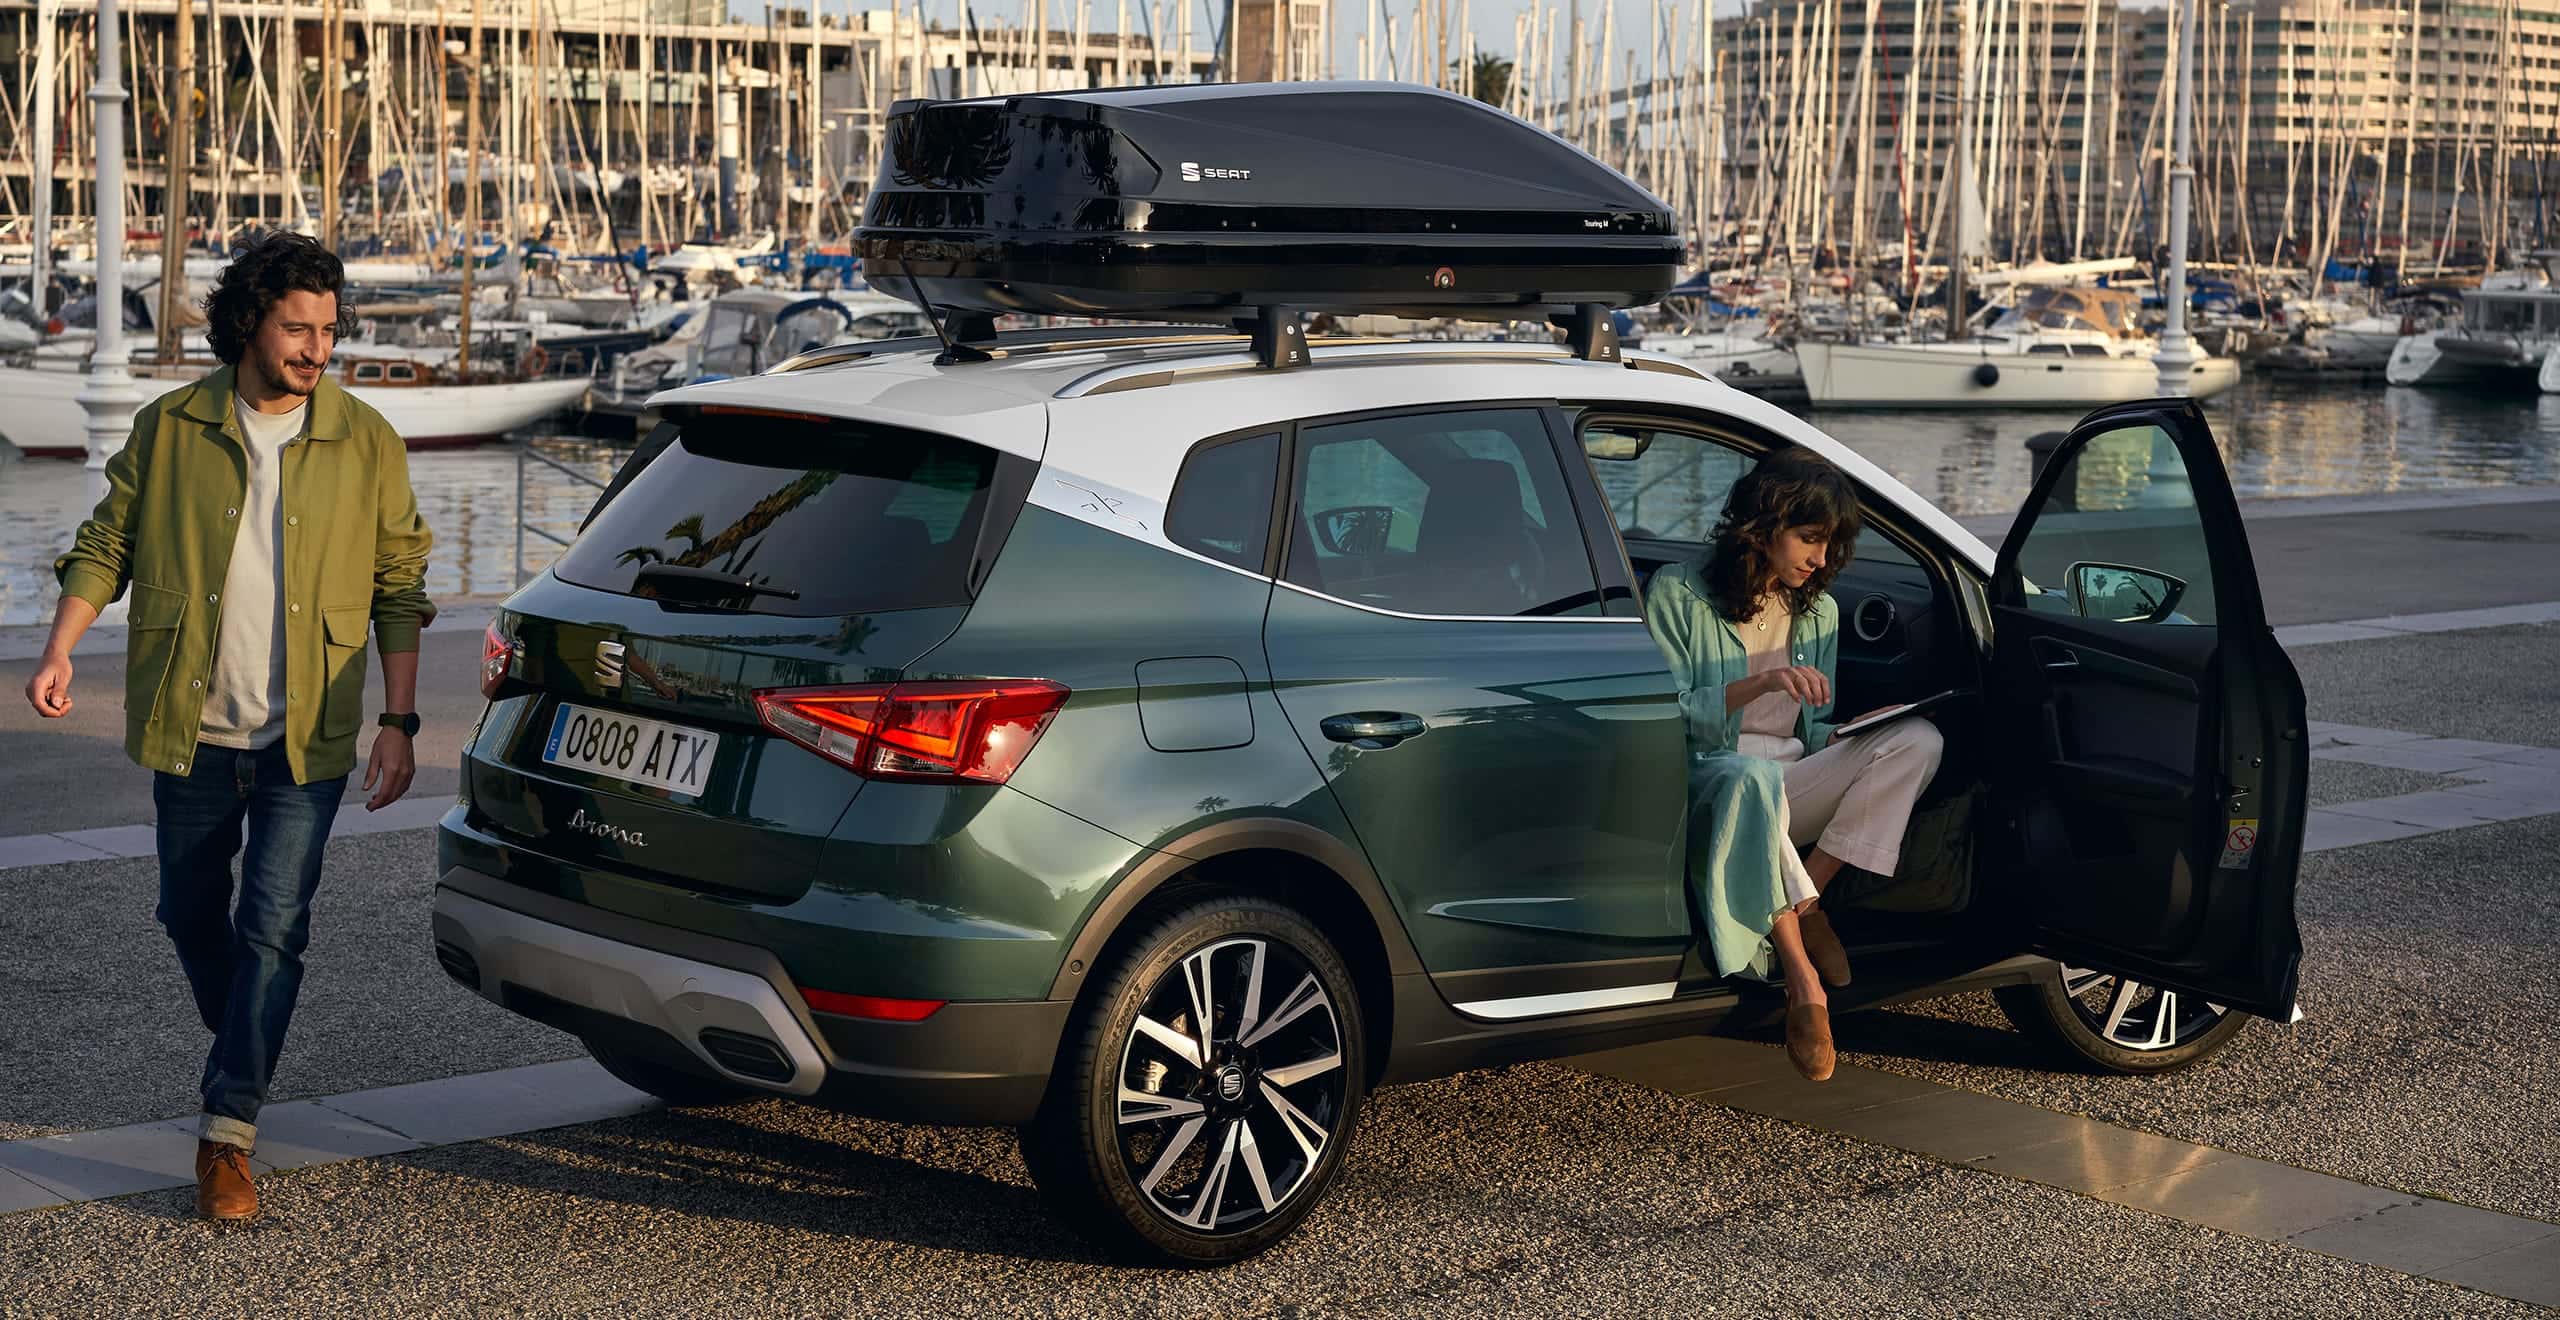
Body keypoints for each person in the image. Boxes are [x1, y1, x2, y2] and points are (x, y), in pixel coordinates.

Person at [23, 231, 435, 1220]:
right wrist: (59, 647)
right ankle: (245, 1041)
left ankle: (227, 1133)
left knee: (275, 928)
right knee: (185, 912)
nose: (317, 348)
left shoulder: (364, 438)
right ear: (250, 321)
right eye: (299, 326)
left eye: (330, 330)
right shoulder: (172, 429)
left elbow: (400, 585)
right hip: (194, 726)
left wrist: (400, 720)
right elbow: (107, 541)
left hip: (311, 737)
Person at [1645, 447, 1943, 1083]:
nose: (1821, 560)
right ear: (1764, 525)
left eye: (1831, 545)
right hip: (1708, 777)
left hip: (1790, 779)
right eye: (1810, 539)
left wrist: (1858, 732)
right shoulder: (1680, 592)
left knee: (1918, 739)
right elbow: (1663, 716)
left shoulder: (1820, 612)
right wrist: (1760, 683)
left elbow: (1810, 729)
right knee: (1750, 779)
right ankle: (1802, 978)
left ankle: (1808, 898)